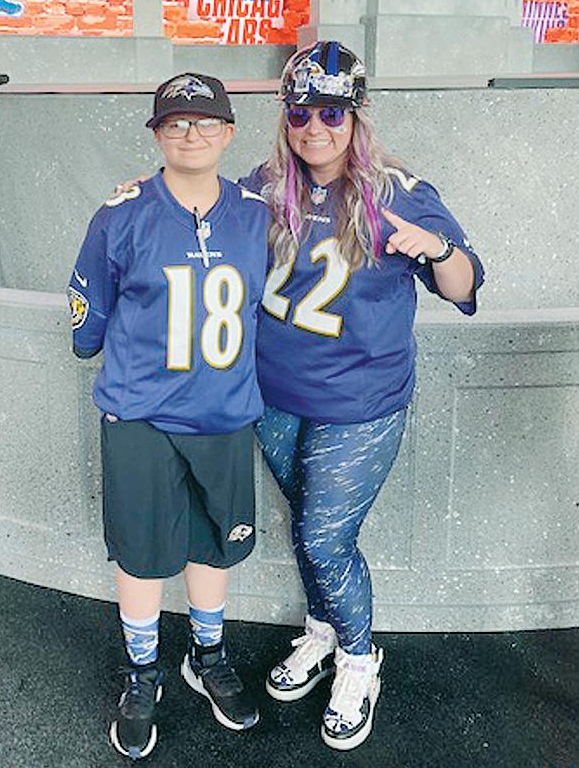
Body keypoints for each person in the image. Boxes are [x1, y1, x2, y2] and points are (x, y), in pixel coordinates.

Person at [115, 41, 485, 753]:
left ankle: (358, 660)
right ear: (284, 116)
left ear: (356, 116)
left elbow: (464, 284)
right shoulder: (263, 185)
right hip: (275, 395)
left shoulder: (398, 191)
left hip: (360, 402)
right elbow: (199, 210)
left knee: (323, 537)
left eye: (331, 112)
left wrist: (437, 251)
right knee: (308, 525)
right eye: (300, 112)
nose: (314, 126)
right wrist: (154, 189)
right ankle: (322, 629)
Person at [67, 73, 269, 761]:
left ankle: (207, 655)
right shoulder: (121, 214)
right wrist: (91, 343)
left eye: (205, 122)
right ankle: (142, 669)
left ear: (229, 133)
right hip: (142, 415)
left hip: (223, 413)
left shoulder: (256, 215)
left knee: (213, 543)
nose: (191, 134)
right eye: (175, 122)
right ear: (156, 133)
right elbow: (88, 309)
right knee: (142, 550)